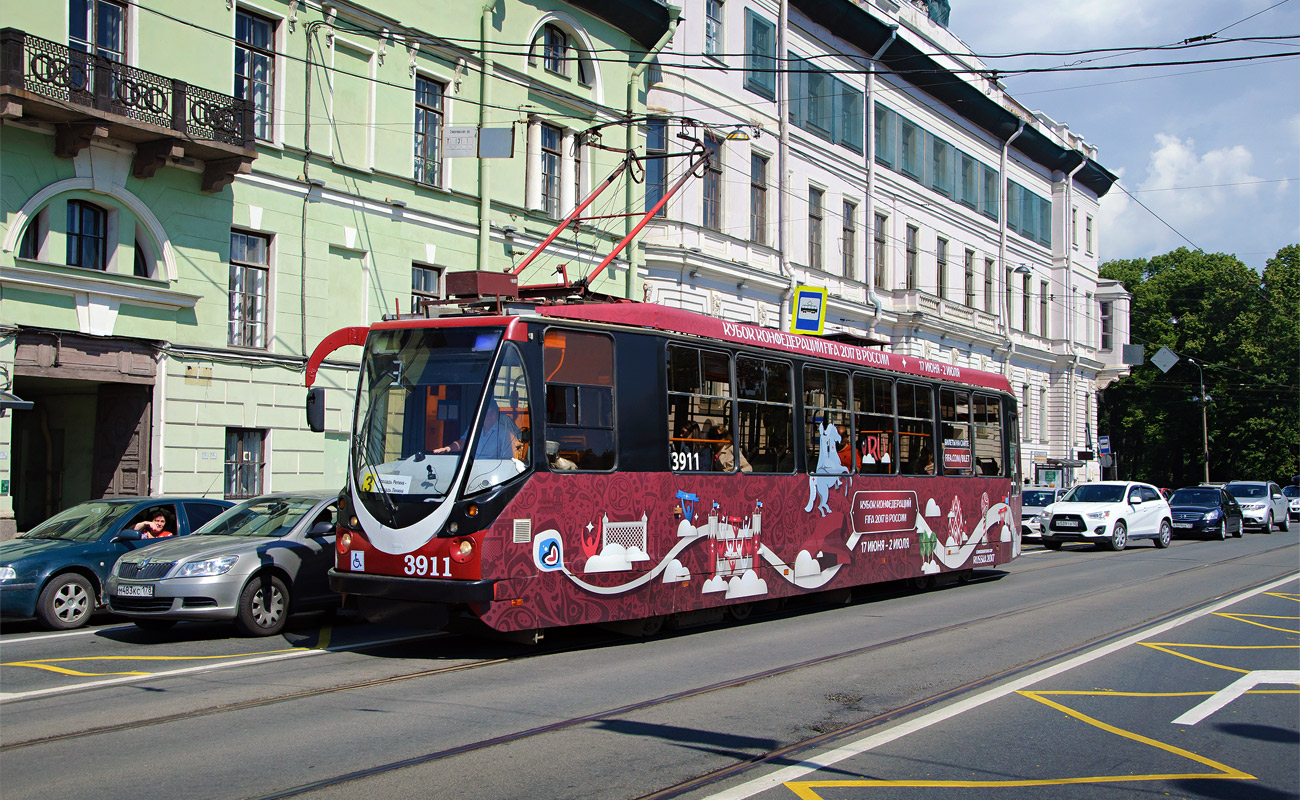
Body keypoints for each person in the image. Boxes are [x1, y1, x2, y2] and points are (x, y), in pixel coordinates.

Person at [433, 400, 521, 459]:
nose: (488, 416)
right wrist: (449, 448)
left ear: (497, 413)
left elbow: (508, 458)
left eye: (491, 412)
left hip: (491, 473)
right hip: (471, 469)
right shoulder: (474, 428)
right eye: (485, 413)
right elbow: (463, 442)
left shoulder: (504, 432)